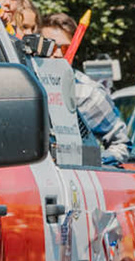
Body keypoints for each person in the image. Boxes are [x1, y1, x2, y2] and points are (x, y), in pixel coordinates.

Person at [38, 12, 130, 165]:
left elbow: (121, 145)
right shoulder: (26, 85)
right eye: (50, 47)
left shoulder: (88, 93)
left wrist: (92, 162)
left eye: (65, 48)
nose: (58, 54)